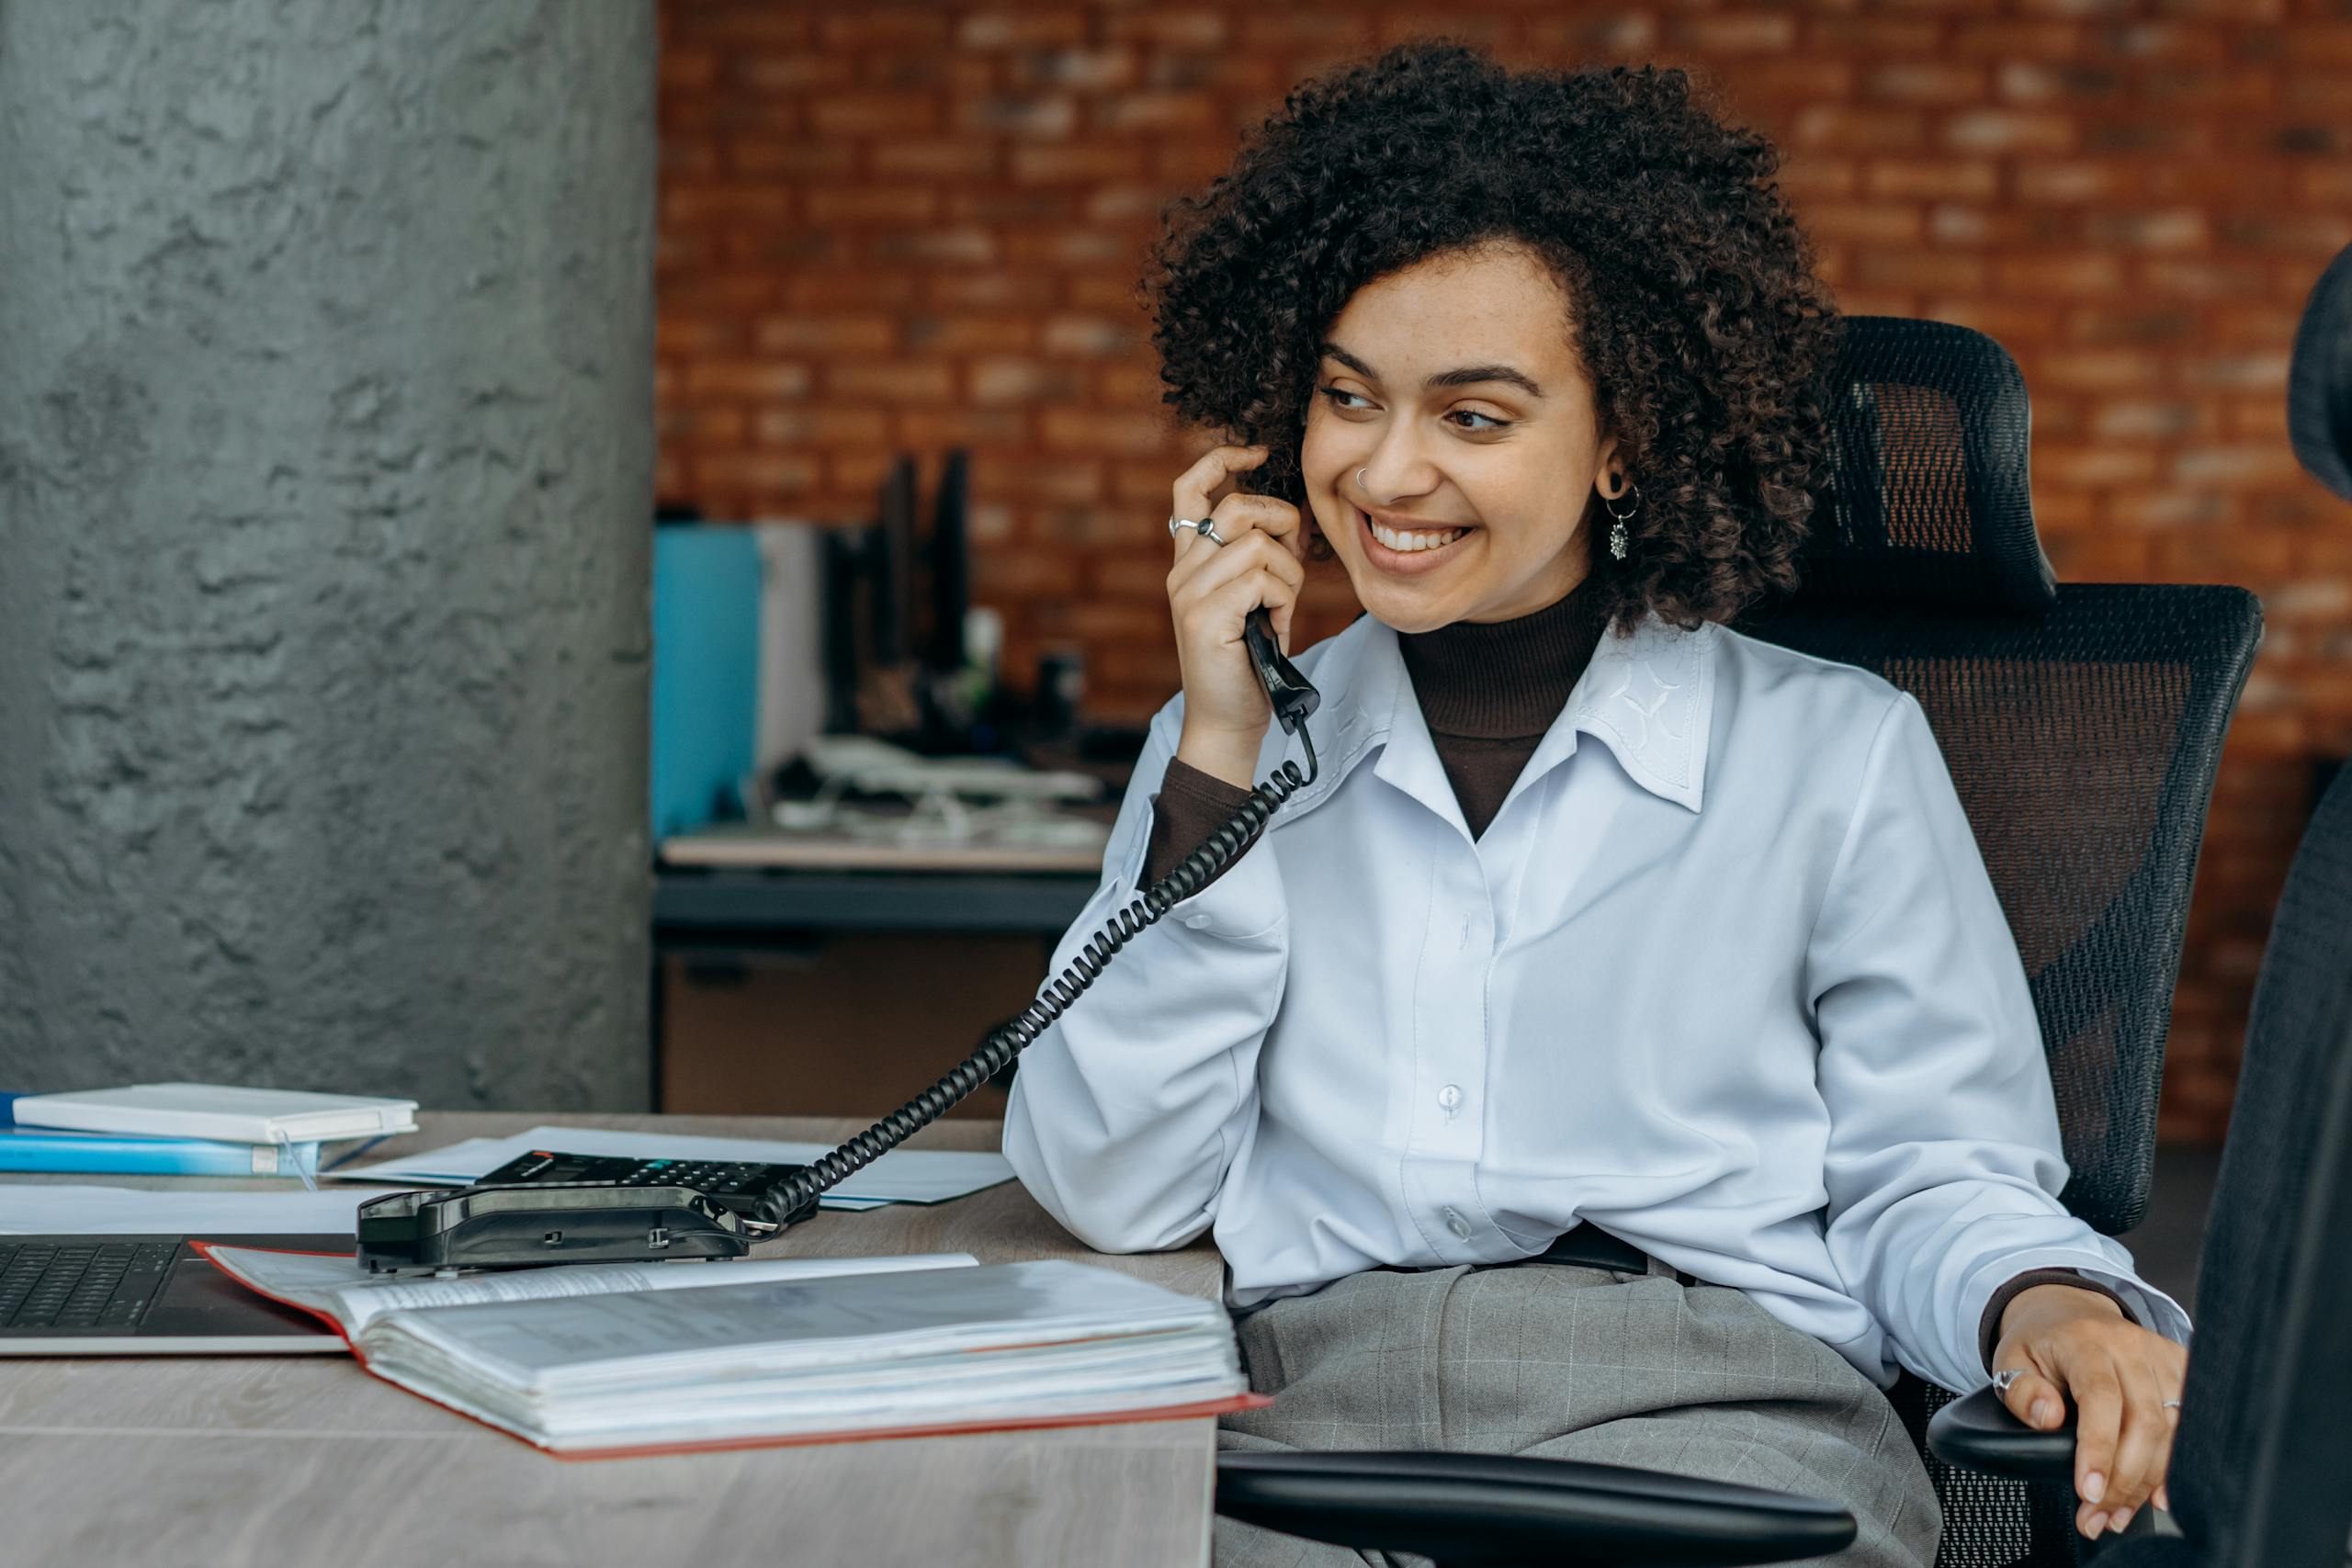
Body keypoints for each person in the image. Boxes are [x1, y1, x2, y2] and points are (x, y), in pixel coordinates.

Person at [1001, 43, 2189, 1567]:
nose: (1387, 471)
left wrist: (2051, 1301)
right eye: (1346, 399)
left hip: (1713, 1417)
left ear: (1624, 436)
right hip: (1300, 1423)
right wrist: (1222, 757)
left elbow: (1933, 1171)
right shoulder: (1229, 744)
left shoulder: (1836, 754)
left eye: (1475, 418)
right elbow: (1110, 1185)